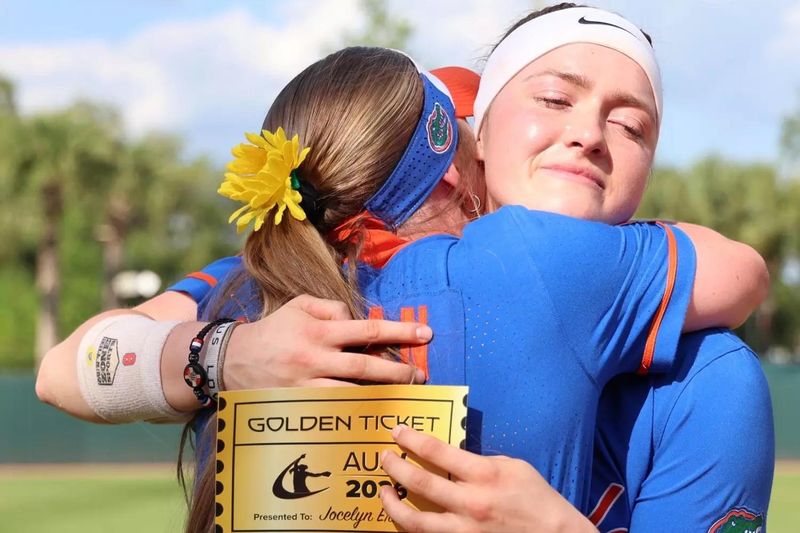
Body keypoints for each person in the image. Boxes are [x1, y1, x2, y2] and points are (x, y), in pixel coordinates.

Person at [35, 5, 773, 533]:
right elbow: (741, 272)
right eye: (550, 98)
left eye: (630, 122)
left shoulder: (246, 286)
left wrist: (222, 351)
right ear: (461, 165)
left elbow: (66, 369)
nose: (586, 135)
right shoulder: (542, 267)